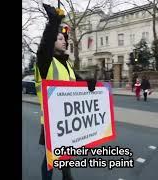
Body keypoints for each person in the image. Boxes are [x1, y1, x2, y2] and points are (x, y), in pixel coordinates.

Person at [33, 3, 96, 180]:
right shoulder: (46, 62)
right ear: (52, 42)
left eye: (65, 39)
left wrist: (90, 84)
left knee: (65, 156)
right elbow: (44, 45)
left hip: (67, 121)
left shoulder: (66, 64)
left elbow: (78, 82)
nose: (65, 41)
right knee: (51, 159)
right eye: (60, 38)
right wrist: (54, 21)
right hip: (52, 121)